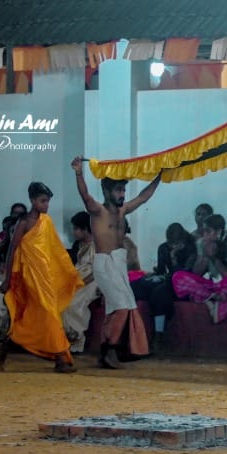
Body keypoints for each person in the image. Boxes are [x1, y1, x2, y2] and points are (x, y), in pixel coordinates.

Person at [73, 156, 160, 368]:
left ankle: (109, 351)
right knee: (122, 307)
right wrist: (78, 172)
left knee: (117, 308)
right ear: (106, 192)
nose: (122, 195)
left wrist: (160, 176)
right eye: (118, 190)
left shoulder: (123, 211)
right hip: (104, 264)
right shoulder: (97, 211)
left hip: (119, 265)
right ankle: (109, 349)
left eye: (123, 190)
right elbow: (85, 196)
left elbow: (143, 197)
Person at [0, 182, 84, 373]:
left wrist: (66, 272)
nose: (46, 205)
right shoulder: (24, 223)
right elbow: (12, 249)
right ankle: (61, 358)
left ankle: (13, 340)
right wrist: (7, 279)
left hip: (45, 275)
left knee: (44, 314)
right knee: (49, 313)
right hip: (30, 276)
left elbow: (56, 251)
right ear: (32, 200)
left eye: (48, 201)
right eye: (42, 201)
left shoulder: (46, 221)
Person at [172, 214, 227, 323]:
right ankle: (211, 296)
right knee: (178, 276)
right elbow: (197, 273)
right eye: (204, 231)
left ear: (219, 231)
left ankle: (207, 297)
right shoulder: (202, 243)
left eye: (208, 231)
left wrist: (213, 257)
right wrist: (204, 255)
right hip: (214, 287)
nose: (205, 235)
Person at [61, 211, 99, 354]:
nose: (74, 232)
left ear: (85, 229)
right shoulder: (80, 244)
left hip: (92, 281)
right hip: (79, 279)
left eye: (76, 228)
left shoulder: (97, 244)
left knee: (73, 302)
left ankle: (77, 340)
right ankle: (66, 338)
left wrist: (81, 283)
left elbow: (97, 271)